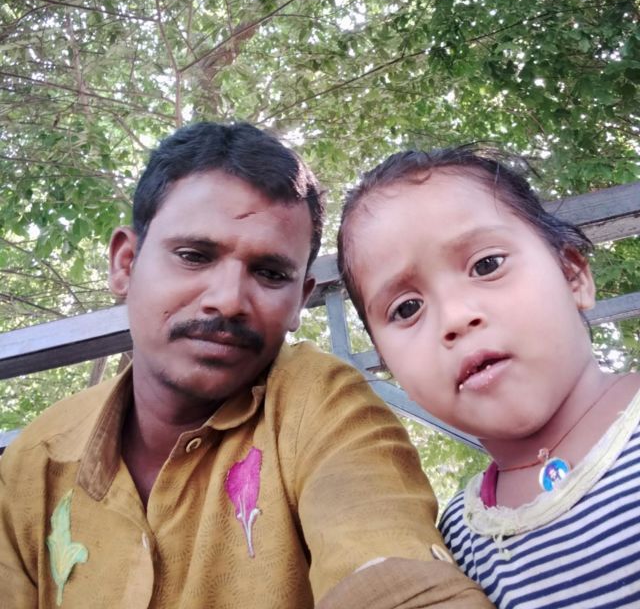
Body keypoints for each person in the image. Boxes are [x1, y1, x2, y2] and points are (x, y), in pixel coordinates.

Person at [0, 123, 493, 609]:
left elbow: (394, 577)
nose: (229, 300)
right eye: (194, 256)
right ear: (125, 263)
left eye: (270, 273)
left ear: (300, 299)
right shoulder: (33, 466)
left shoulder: (322, 406)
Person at [337, 145, 640, 608]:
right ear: (387, 362)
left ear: (572, 275)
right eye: (407, 308)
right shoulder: (455, 542)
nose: (455, 318)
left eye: (487, 265)